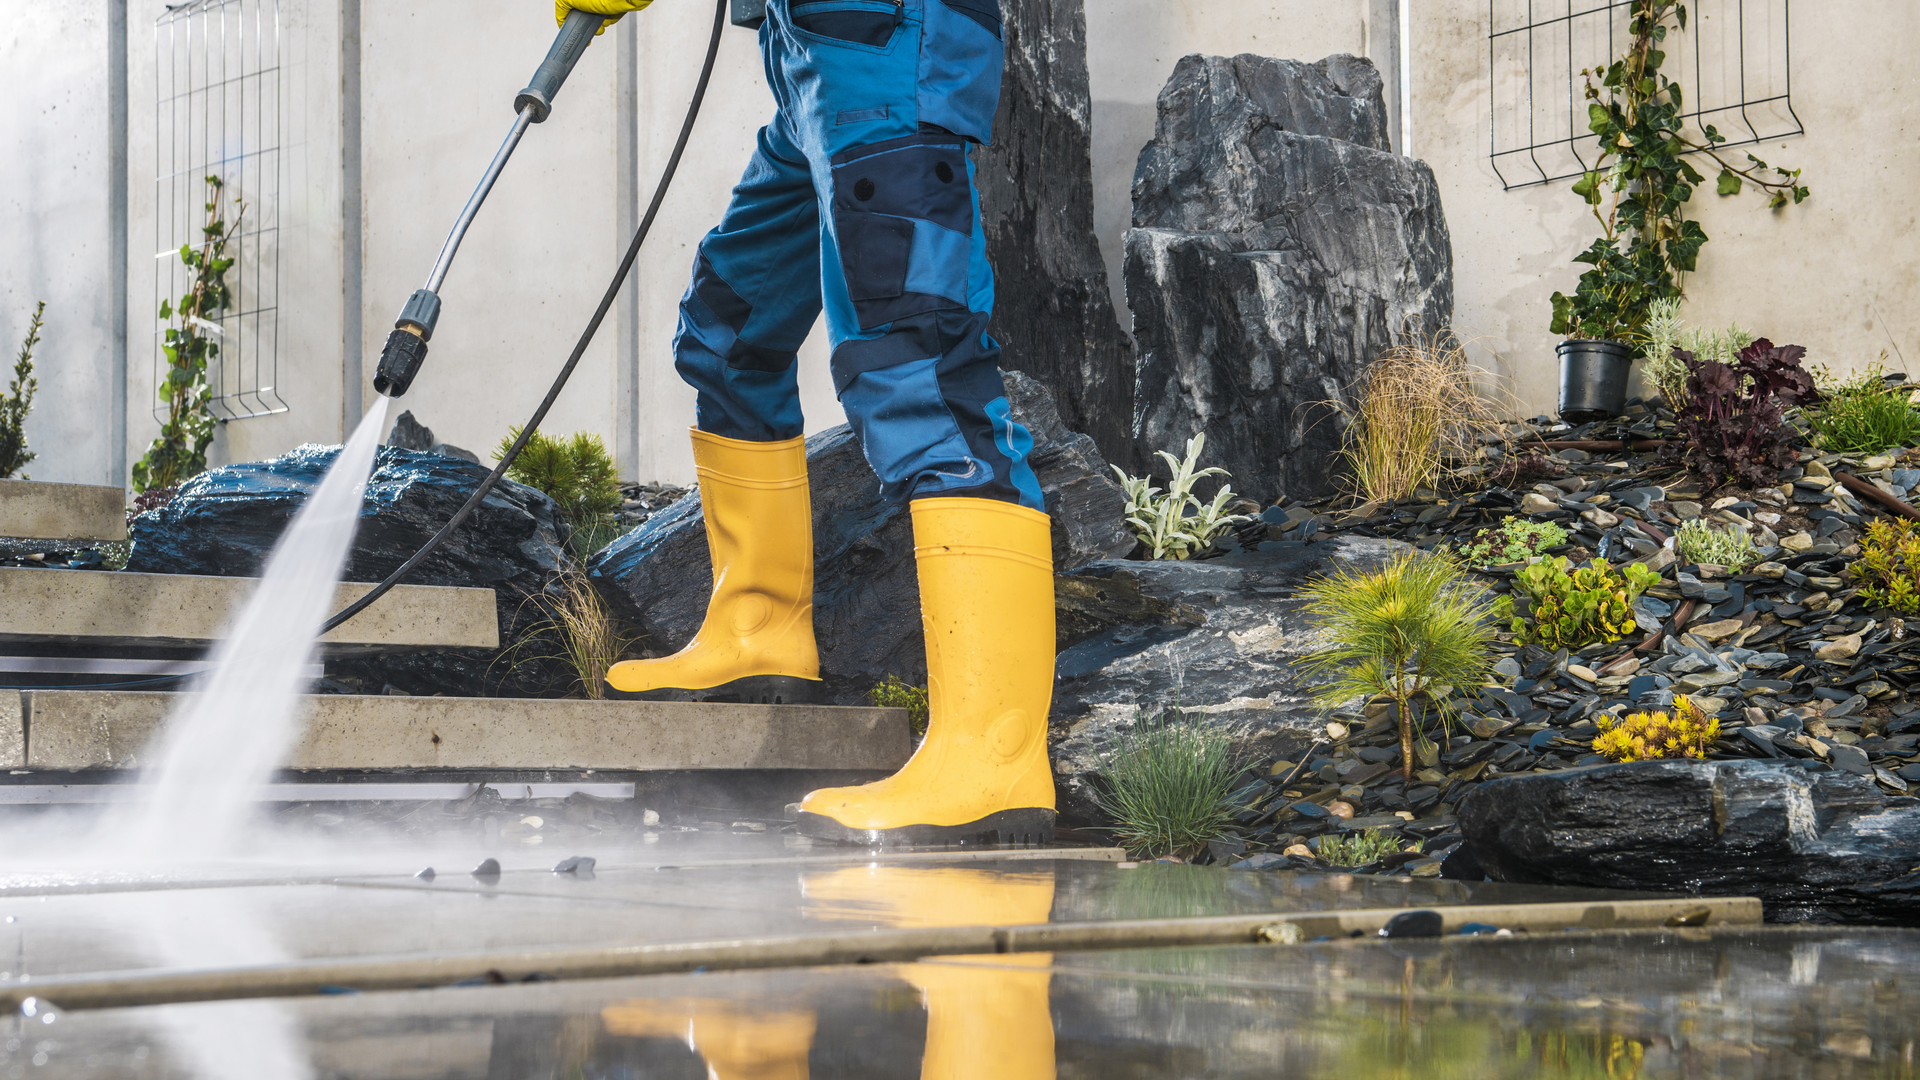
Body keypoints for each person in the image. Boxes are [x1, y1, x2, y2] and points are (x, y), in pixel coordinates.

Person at [563, 0, 1056, 845]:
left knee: (920, 371)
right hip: (811, 65)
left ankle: (992, 758)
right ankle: (756, 630)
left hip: (889, 55)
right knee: (727, 333)